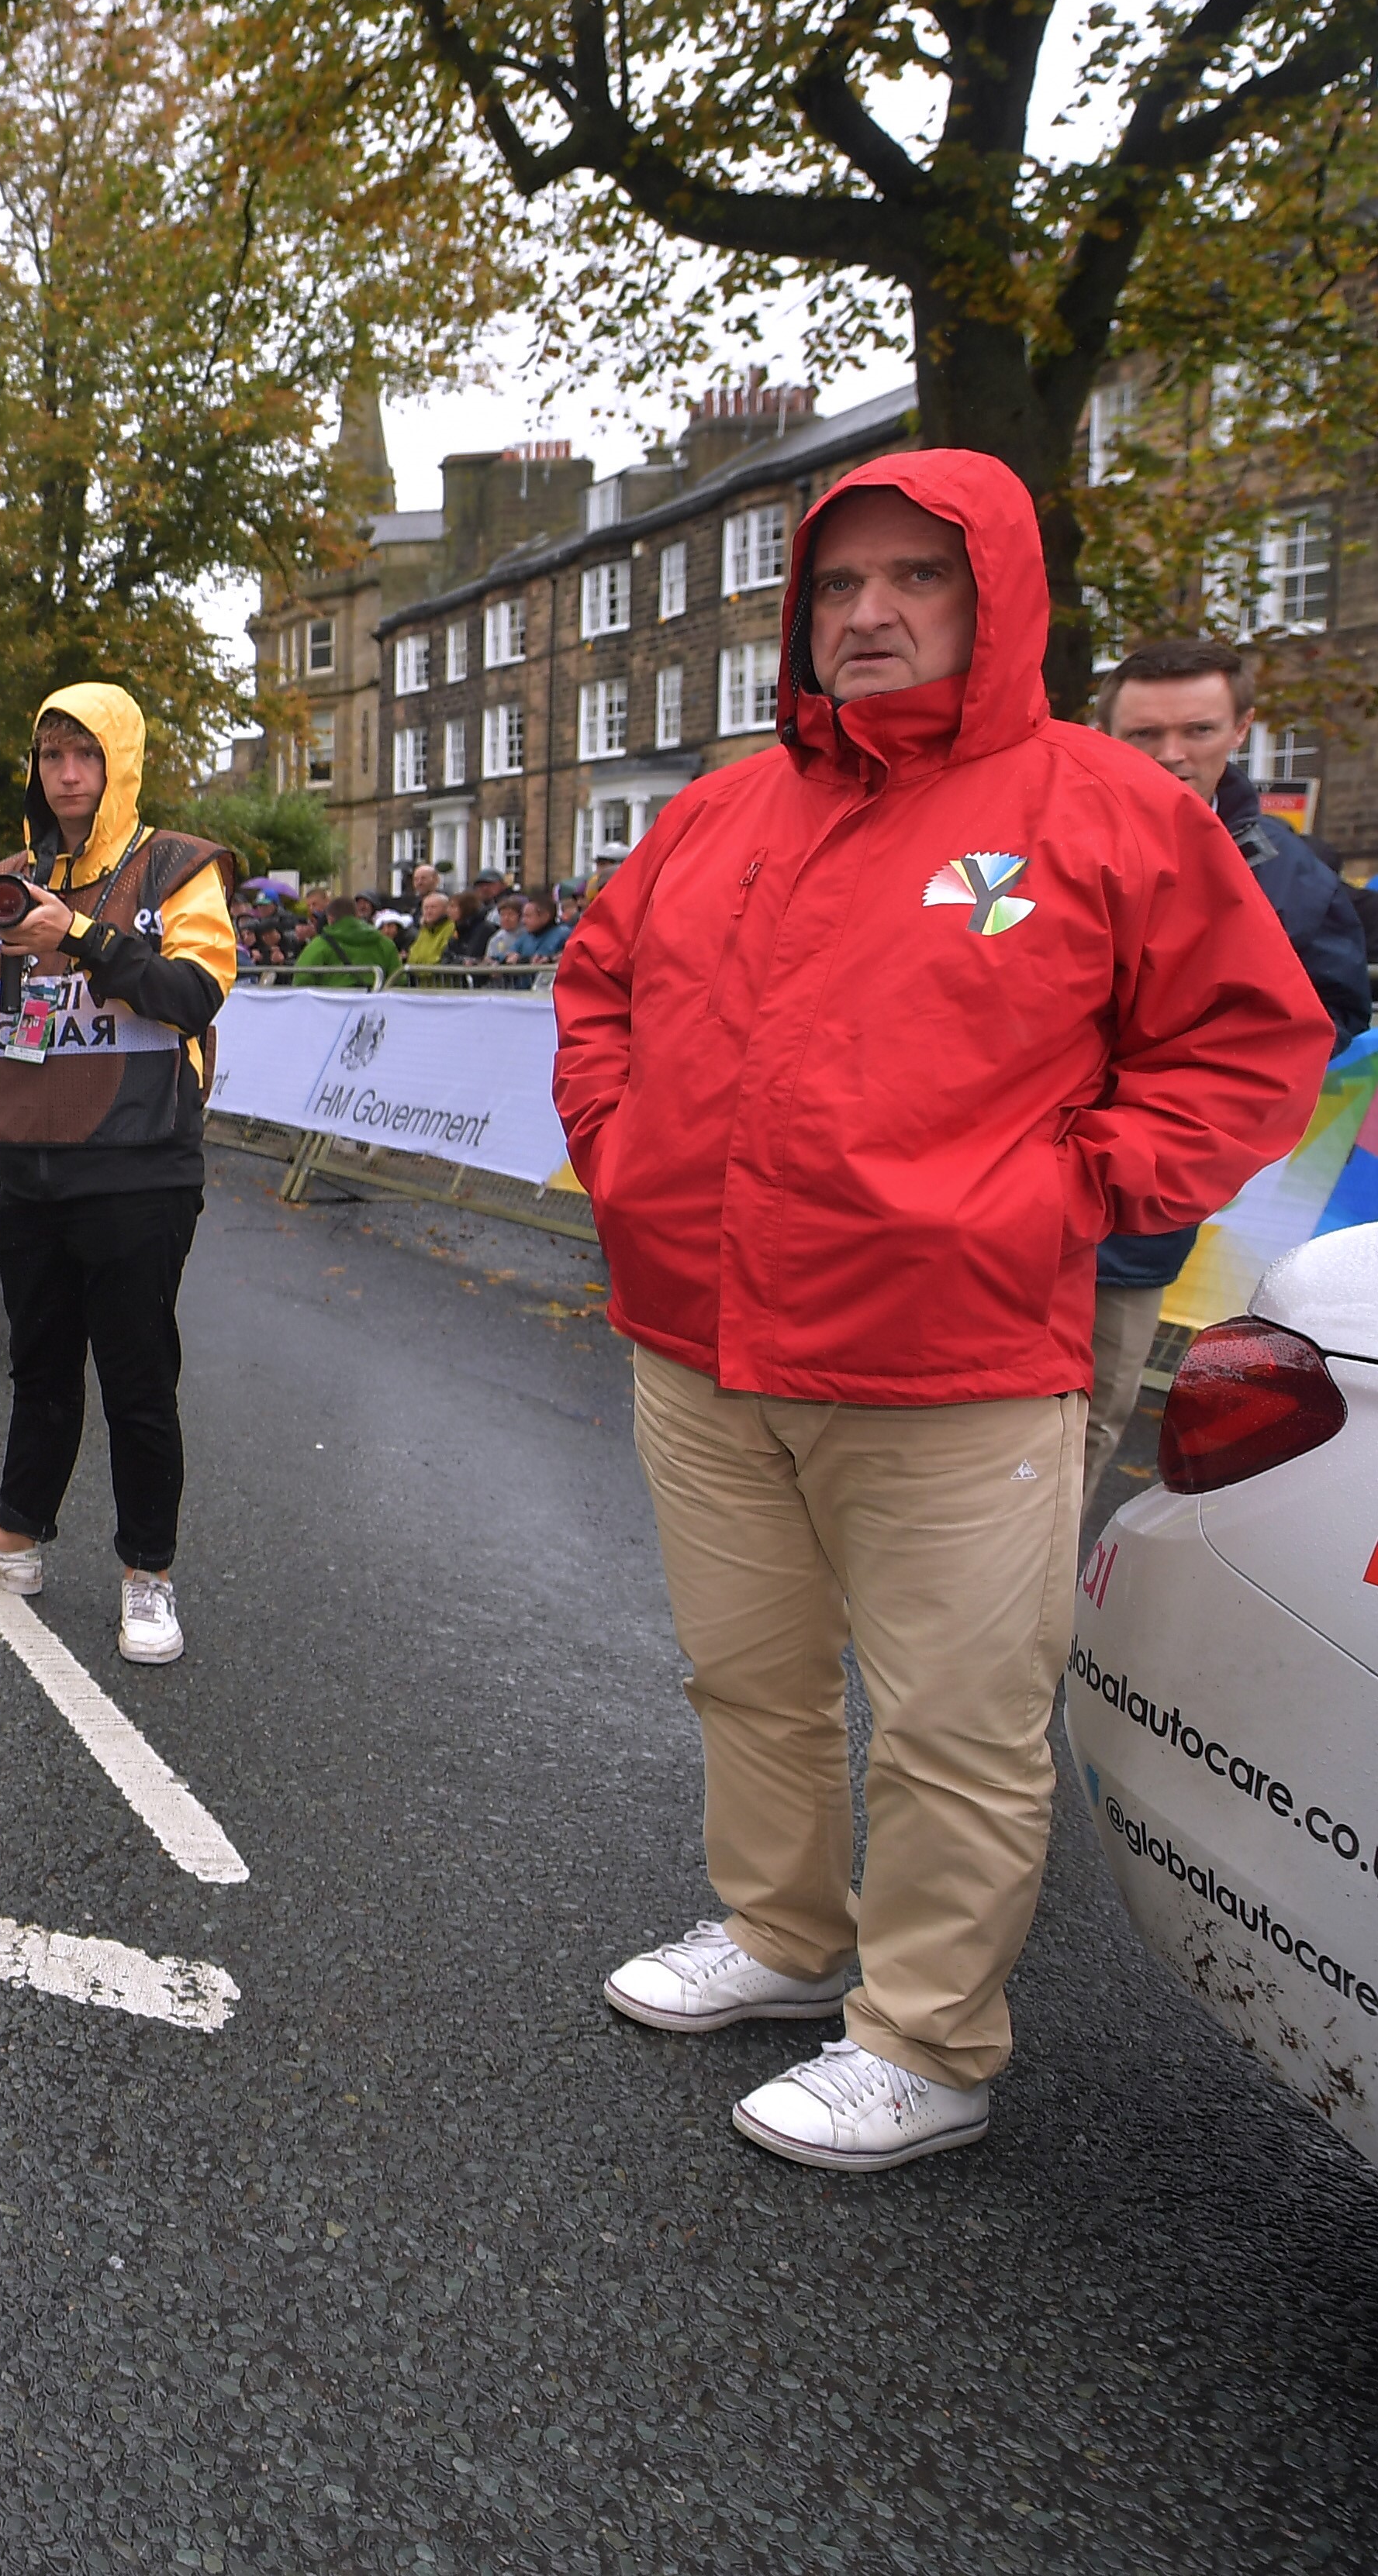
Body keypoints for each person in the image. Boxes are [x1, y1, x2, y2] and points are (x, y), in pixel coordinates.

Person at [560, 450, 1327, 2172]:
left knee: (957, 1718)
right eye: (838, 586)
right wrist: (620, 1153)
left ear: (995, 602)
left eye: (916, 579)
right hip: (700, 1342)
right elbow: (598, 983)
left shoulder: (1104, 806)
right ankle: (779, 1933)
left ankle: (924, 2039)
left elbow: (1247, 1042)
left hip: (956, 1363)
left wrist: (1060, 1190)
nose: (869, 614)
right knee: (747, 1679)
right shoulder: (719, 811)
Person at [0, 686, 237, 1667]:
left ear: (118, 763)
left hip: (138, 1165)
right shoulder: (12, 876)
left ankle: (147, 1573)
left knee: (139, 1378)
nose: (65, 775)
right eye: (50, 755)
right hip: (31, 1157)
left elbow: (193, 992)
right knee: (38, 1365)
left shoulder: (177, 867)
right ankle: (13, 1537)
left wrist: (81, 937)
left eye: (84, 756)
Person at [1082, 637, 1372, 1498]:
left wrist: (1200, 1102)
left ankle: (1013, 1624)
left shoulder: (1293, 876)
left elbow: (1329, 1016)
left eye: (1197, 728)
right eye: (1144, 734)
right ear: (1103, 733)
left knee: (1089, 1413)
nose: (1172, 754)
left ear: (1239, 726)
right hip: (986, 1204)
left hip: (1134, 1215)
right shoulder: (1033, 842)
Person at [285, 885, 400, 983]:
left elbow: (301, 979)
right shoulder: (385, 943)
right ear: (357, 915)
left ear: (330, 919)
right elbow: (399, 979)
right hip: (374, 1008)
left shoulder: (320, 945)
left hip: (330, 1006)